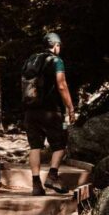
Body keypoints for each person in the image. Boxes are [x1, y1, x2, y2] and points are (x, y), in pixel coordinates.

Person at [22, 32, 76, 196]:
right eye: (59, 45)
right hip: (51, 111)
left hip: (30, 111)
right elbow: (61, 85)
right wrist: (70, 107)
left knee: (35, 147)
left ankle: (36, 185)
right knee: (60, 145)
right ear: (56, 45)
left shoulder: (31, 59)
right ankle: (52, 176)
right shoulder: (56, 61)